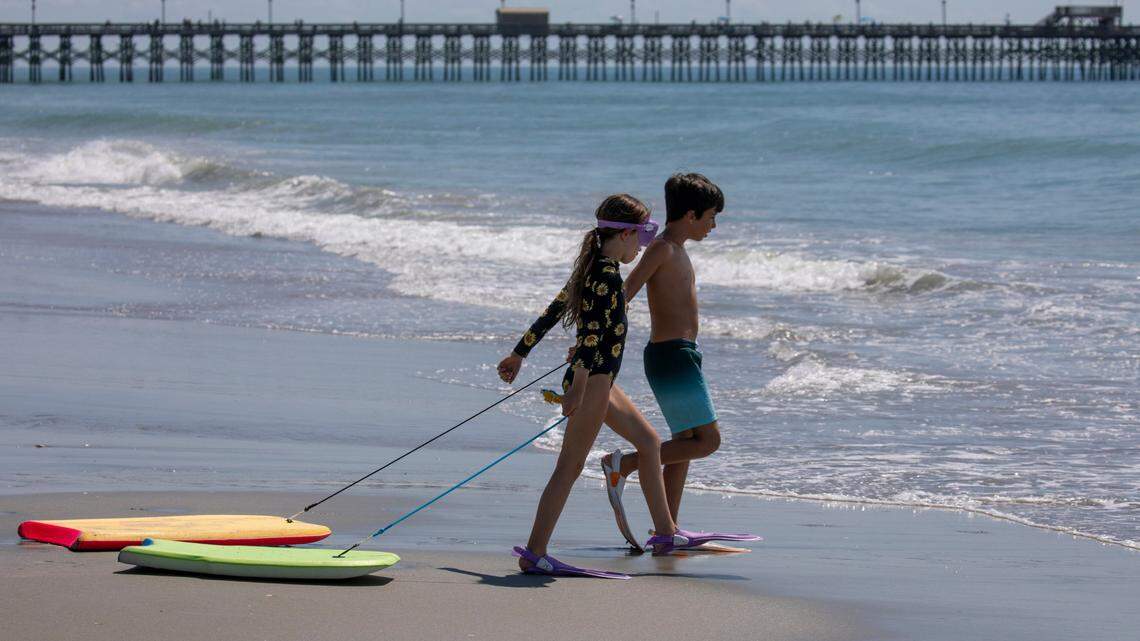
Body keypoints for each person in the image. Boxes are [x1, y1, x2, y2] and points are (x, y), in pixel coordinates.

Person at [497, 194, 678, 574]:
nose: (644, 244)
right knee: (569, 467)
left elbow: (553, 311)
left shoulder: (592, 267)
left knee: (649, 443)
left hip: (599, 380)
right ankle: (536, 551)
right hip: (592, 382)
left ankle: (666, 533)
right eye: (644, 234)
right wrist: (577, 391)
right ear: (626, 233)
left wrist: (519, 354)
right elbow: (591, 335)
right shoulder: (608, 277)